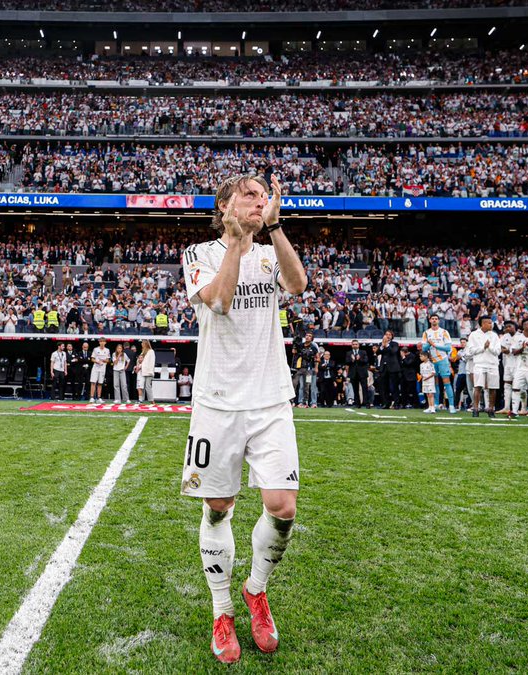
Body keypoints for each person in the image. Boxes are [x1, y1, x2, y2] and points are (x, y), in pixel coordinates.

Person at [179, 173, 307, 664]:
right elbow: (220, 300)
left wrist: (273, 229)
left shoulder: (272, 251)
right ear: (225, 205)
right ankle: (221, 609)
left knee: (283, 506)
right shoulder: (200, 253)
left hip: (271, 399)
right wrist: (236, 243)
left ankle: (256, 590)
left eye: (263, 195)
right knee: (218, 506)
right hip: (217, 402)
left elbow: (296, 285)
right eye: (250, 195)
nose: (260, 201)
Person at [465, 316, 501, 418]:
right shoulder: (474, 335)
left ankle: (491, 409)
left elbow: (498, 351)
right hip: (479, 364)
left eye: (491, 322)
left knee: (493, 388)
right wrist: (483, 348)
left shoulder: (494, 335)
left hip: (492, 364)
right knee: (478, 387)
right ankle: (475, 409)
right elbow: (471, 350)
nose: (491, 324)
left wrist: (489, 347)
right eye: (489, 323)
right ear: (483, 324)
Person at [421, 314, 457, 413]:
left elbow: (448, 348)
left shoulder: (444, 332)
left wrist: (434, 344)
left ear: (438, 321)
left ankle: (451, 405)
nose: (434, 320)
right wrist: (429, 344)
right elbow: (423, 348)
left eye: (436, 319)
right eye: (432, 319)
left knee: (447, 382)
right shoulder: (426, 333)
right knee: (434, 383)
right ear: (429, 320)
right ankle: (435, 404)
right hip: (432, 361)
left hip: (443, 360)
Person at [376, 330, 402, 409]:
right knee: (384, 387)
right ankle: (386, 403)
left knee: (394, 387)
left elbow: (393, 351)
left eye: (389, 335)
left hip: (393, 368)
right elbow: (377, 352)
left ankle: (396, 403)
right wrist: (382, 346)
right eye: (386, 334)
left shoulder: (395, 344)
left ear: (392, 336)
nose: (387, 336)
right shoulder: (381, 344)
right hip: (384, 368)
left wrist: (386, 344)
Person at [345, 339, 370, 407]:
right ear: (351, 345)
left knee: (364, 388)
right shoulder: (349, 353)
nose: (355, 345)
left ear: (358, 345)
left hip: (362, 373)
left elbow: (366, 361)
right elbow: (346, 362)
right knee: (355, 389)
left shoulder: (363, 352)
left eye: (356, 344)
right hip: (353, 373)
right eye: (353, 344)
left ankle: (366, 403)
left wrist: (360, 359)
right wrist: (352, 360)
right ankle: (357, 404)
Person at [89, 337, 110, 402]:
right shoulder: (95, 349)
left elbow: (108, 360)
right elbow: (92, 359)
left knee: (100, 383)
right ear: (99, 342)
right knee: (93, 382)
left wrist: (104, 361)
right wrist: (97, 361)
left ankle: (99, 398)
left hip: (102, 368)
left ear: (105, 342)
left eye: (103, 341)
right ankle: (92, 397)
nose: (102, 343)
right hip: (95, 368)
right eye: (101, 341)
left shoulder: (107, 350)